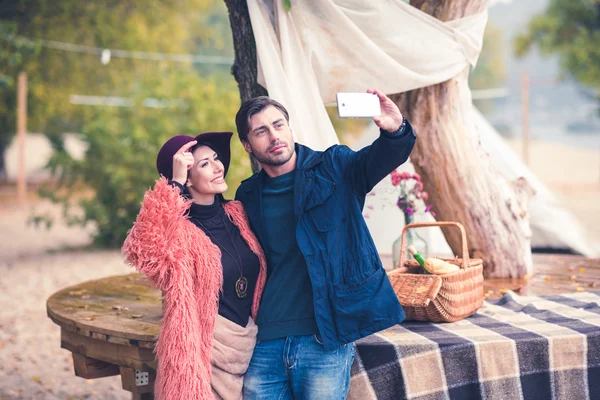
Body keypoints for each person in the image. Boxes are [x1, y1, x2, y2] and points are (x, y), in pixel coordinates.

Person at [234, 89, 416, 399]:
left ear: (290, 129)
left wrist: (395, 130)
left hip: (323, 337)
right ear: (248, 145)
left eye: (279, 125)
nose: (274, 136)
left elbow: (377, 160)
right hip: (265, 339)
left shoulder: (335, 167)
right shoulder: (247, 194)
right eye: (261, 131)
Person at [122, 132, 267, 400]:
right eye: (204, 164)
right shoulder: (179, 233)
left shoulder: (237, 214)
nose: (217, 166)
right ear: (187, 177)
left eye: (215, 159)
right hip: (204, 356)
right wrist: (174, 183)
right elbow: (142, 249)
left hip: (250, 347)